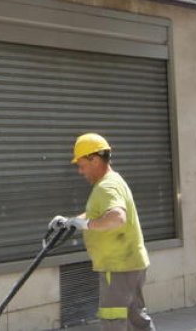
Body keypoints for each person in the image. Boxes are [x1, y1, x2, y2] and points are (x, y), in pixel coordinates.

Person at [51, 133, 153, 331]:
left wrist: (87, 225)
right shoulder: (113, 181)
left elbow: (117, 217)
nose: (80, 172)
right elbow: (96, 214)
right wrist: (70, 222)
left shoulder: (106, 186)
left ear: (94, 159)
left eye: (81, 165)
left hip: (118, 267)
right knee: (135, 320)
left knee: (114, 321)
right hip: (130, 264)